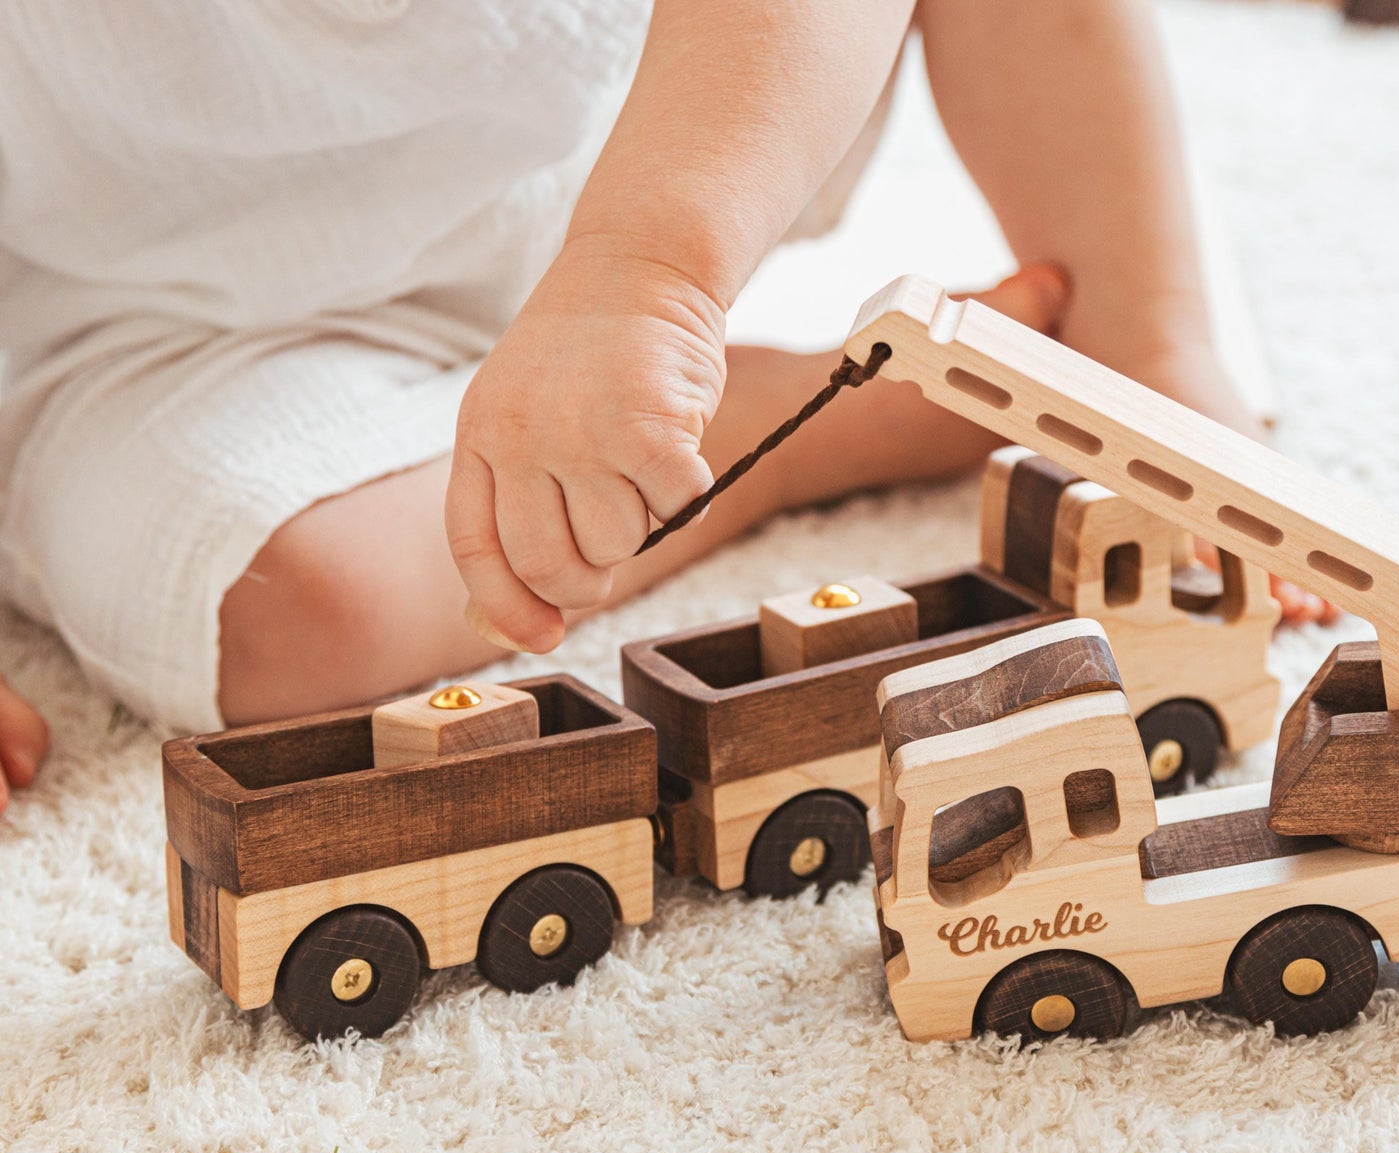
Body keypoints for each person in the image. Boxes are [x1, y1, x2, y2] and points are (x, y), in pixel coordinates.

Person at [0, 0, 1328, 816]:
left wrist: (649, 269)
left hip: (661, 128)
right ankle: (771, 428)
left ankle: (1139, 336)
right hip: (150, 290)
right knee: (299, 610)